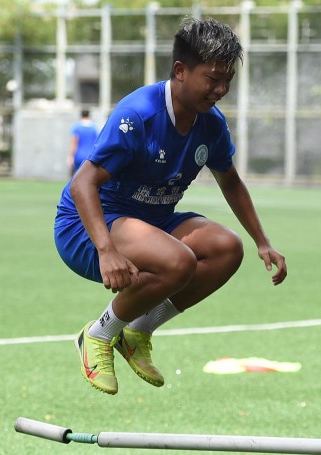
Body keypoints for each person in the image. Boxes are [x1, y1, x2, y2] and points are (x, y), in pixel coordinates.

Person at [53, 17, 287, 395]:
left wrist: (262, 241)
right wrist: (107, 250)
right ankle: (97, 336)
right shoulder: (139, 114)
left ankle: (137, 332)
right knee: (179, 261)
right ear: (181, 70)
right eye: (213, 79)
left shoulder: (211, 125)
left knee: (227, 249)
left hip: (152, 223)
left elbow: (231, 180)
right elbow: (83, 184)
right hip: (88, 225)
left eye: (227, 80)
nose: (221, 89)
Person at [68, 109, 98, 176]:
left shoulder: (77, 127)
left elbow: (74, 143)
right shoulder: (94, 128)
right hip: (90, 156)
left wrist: (71, 156)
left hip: (78, 156)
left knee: (76, 178)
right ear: (89, 115)